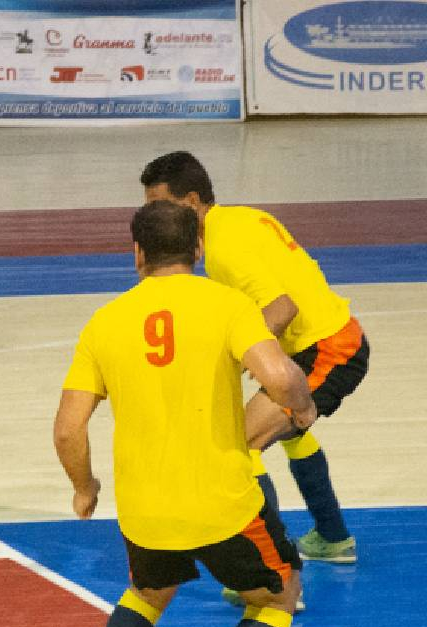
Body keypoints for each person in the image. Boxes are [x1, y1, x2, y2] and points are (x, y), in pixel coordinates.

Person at [54, 200, 316, 627]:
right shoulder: (229, 305)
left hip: (145, 513)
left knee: (148, 594)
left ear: (137, 252)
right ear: (197, 248)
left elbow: (68, 430)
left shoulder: (103, 323)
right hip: (224, 506)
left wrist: (85, 487)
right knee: (278, 597)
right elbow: (282, 379)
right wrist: (302, 408)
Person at [140, 151, 368, 567]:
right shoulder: (240, 219)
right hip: (321, 342)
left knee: (241, 446)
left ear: (191, 202)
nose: (149, 215)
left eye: (158, 205)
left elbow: (282, 308)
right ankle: (333, 538)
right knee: (290, 430)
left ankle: (275, 571)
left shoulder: (222, 247)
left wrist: (236, 355)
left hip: (331, 349)